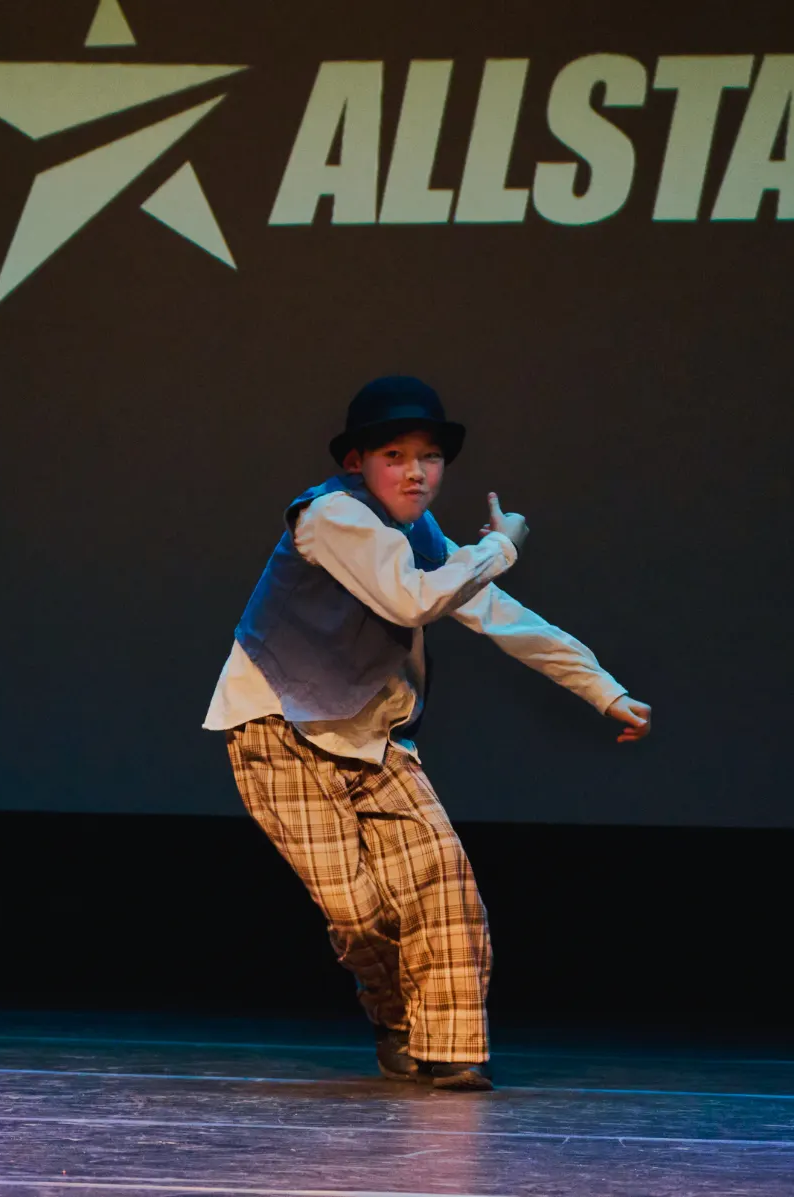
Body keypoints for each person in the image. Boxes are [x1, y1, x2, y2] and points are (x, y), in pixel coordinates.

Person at [203, 375, 651, 1092]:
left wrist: (603, 689)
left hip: (373, 736)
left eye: (430, 457)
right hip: (278, 728)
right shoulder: (330, 515)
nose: (416, 472)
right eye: (395, 455)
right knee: (358, 912)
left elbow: (496, 613)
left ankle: (453, 1050)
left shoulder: (420, 533)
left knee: (442, 877)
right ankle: (395, 1021)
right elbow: (410, 598)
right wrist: (498, 547)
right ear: (356, 462)